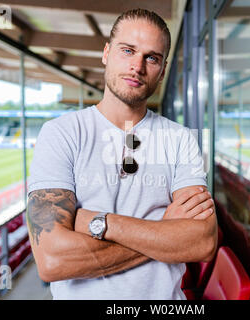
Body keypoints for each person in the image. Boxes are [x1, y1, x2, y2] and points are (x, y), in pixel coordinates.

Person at [26, 8, 217, 300]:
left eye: (151, 58)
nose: (137, 67)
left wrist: (99, 222)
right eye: (127, 51)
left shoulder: (180, 139)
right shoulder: (61, 133)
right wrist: (164, 232)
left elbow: (201, 242)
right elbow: (52, 261)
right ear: (106, 53)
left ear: (163, 70)